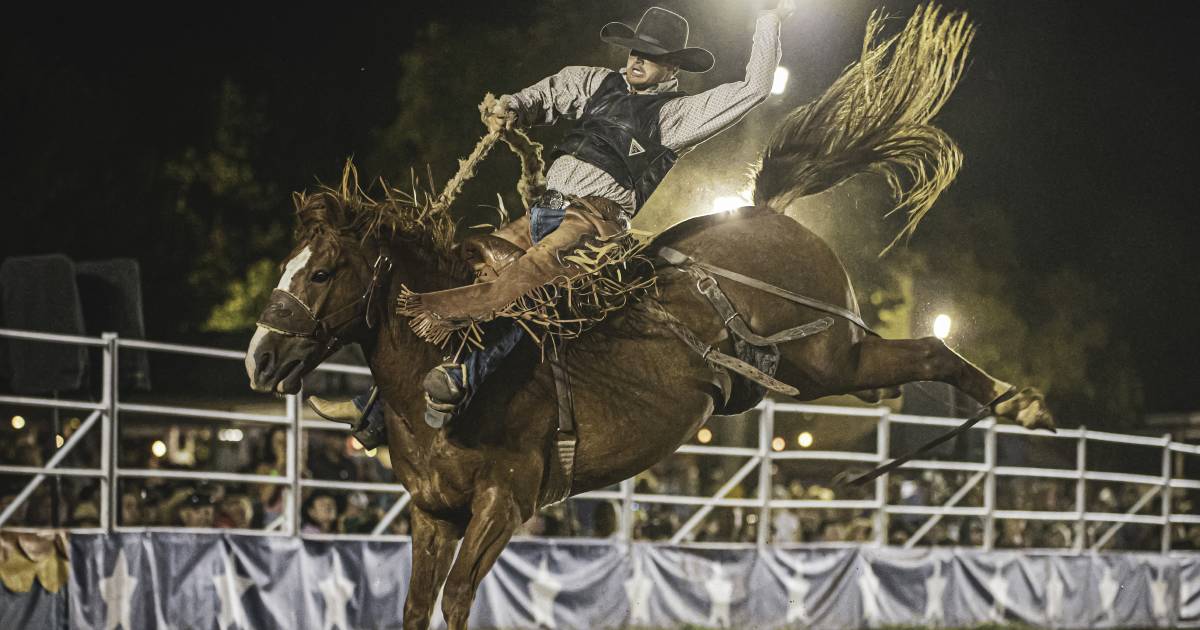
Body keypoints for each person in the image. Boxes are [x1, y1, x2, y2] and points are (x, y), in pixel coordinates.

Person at [309, 1, 795, 437]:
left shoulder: (679, 115)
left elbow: (753, 88)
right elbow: (553, 89)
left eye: (650, 53)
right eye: (634, 50)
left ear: (673, 66)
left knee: (533, 286)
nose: (635, 59)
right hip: (544, 208)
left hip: (592, 224)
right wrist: (513, 107)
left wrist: (768, 19)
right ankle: (374, 409)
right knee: (469, 265)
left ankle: (463, 375)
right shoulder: (596, 83)